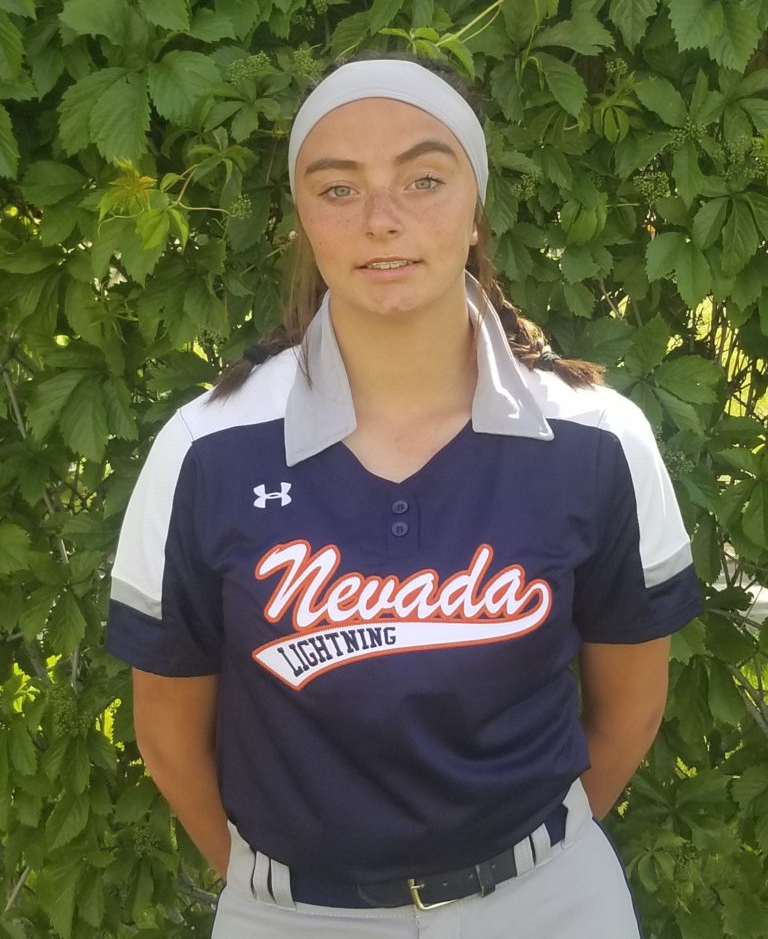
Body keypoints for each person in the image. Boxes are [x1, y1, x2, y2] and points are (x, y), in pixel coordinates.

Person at [106, 53, 702, 939]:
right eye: (338, 189)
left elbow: (632, 706)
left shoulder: (597, 438)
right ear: (304, 219)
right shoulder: (205, 450)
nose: (382, 218)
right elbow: (166, 732)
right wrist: (272, 896)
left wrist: (530, 873)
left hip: (551, 903)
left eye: (423, 179)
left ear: (476, 206)